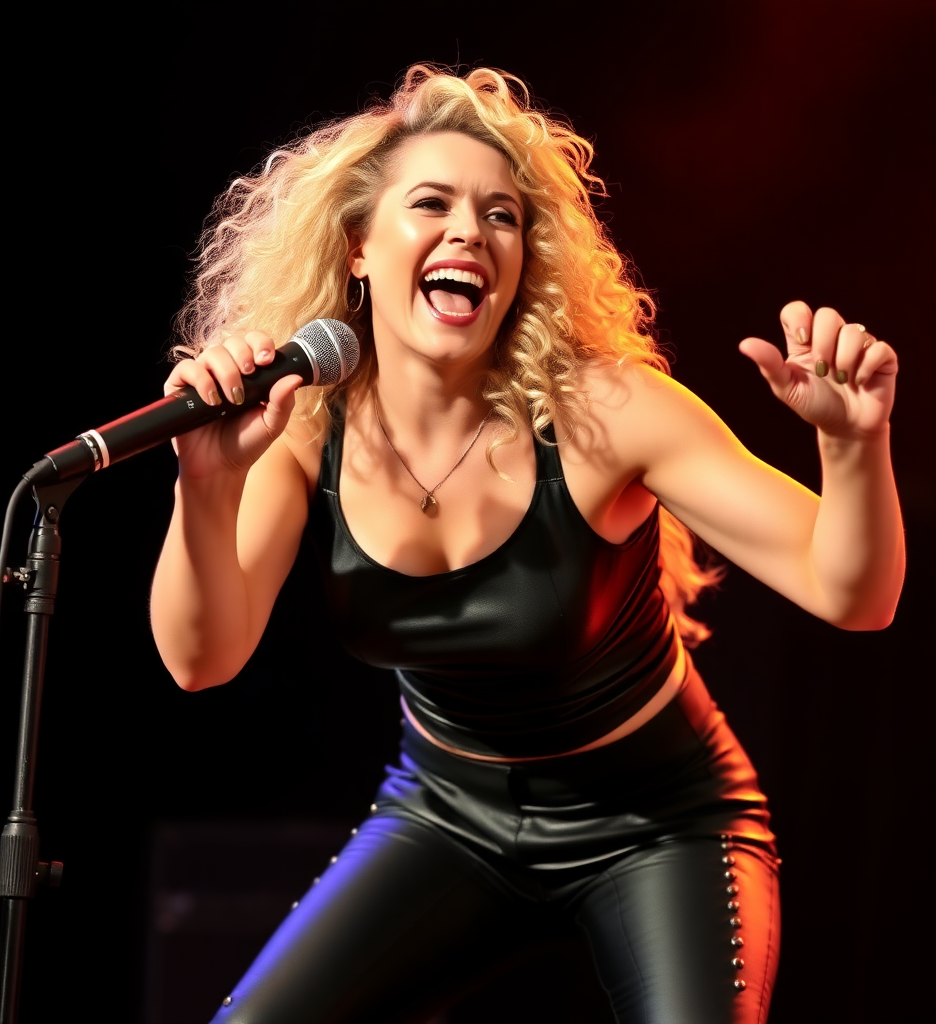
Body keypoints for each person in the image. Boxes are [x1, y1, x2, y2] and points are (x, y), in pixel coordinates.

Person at [148, 65, 903, 1024]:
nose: (470, 230)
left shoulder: (605, 411)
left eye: (501, 215)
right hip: (444, 811)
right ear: (359, 249)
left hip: (660, 821)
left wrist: (853, 444)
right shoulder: (306, 427)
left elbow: (855, 595)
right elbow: (201, 659)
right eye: (432, 203)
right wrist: (205, 487)